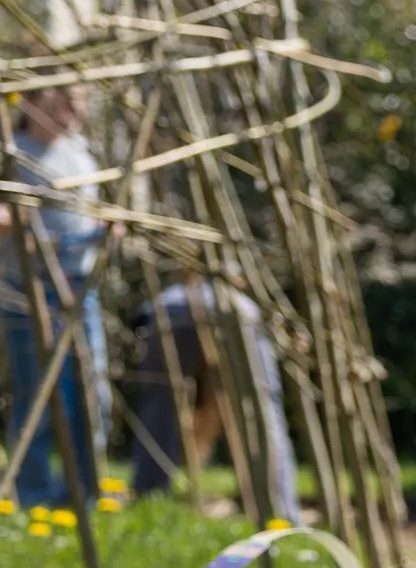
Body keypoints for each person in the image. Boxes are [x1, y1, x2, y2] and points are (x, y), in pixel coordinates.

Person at [2, 85, 109, 508]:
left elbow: (89, 207)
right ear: (30, 103)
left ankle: (83, 492)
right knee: (40, 394)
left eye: (77, 102)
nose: (72, 112)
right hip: (28, 290)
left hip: (82, 286)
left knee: (90, 391)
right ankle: (33, 495)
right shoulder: (13, 153)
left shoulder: (81, 151)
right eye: (61, 102)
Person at [129, 280, 301, 523]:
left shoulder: (164, 297)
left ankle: (148, 494)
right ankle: (281, 507)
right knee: (263, 408)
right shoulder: (234, 292)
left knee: (159, 406)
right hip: (240, 314)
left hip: (170, 316)